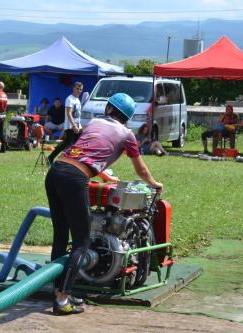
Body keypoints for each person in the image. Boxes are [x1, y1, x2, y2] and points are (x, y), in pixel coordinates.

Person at [46, 93, 163, 315]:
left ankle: (58, 292)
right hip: (74, 177)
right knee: (81, 242)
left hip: (56, 172)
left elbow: (88, 151)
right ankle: (62, 300)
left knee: (61, 236)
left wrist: (104, 176)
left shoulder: (96, 122)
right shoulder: (127, 134)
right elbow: (140, 169)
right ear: (127, 117)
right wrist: (154, 183)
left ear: (109, 109)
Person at [47, 82, 83, 164]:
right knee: (66, 144)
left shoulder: (77, 100)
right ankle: (51, 158)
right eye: (77, 88)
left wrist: (79, 125)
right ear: (73, 88)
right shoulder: (69, 99)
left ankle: (73, 160)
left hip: (77, 126)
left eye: (80, 89)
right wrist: (74, 125)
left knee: (77, 144)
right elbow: (69, 113)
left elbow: (77, 115)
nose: (79, 91)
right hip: (70, 127)